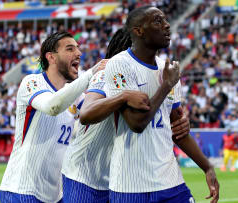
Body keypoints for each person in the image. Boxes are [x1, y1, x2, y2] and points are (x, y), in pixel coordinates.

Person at [61, 28, 191, 203]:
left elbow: (157, 119)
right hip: (86, 176)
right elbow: (87, 112)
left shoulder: (150, 78)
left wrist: (179, 122)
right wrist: (123, 96)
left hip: (123, 179)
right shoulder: (107, 73)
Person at [104, 6, 219, 203]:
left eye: (165, 20)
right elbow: (136, 123)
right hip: (131, 186)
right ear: (138, 31)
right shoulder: (119, 65)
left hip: (170, 182)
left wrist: (207, 167)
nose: (167, 26)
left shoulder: (168, 69)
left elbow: (178, 131)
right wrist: (166, 85)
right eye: (158, 21)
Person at [0, 31, 102, 203]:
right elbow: (52, 106)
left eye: (78, 48)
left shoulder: (76, 96)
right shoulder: (32, 83)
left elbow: (96, 115)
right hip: (21, 191)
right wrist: (91, 74)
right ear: (51, 57)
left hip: (55, 196)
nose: (78, 53)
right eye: (70, 49)